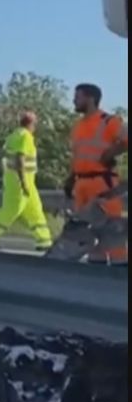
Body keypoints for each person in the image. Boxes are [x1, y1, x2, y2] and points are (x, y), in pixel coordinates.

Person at [67, 83, 128, 265]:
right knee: (88, 233)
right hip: (81, 183)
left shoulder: (109, 121)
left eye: (78, 97)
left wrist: (112, 152)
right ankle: (96, 273)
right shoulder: (78, 126)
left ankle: (121, 270)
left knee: (111, 230)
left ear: (90, 98)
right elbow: (77, 154)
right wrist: (70, 179)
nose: (74, 101)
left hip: (103, 183)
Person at [0, 112, 53, 252]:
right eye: (35, 124)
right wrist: (23, 182)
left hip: (19, 179)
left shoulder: (14, 135)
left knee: (35, 210)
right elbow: (20, 159)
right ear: (31, 124)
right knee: (12, 209)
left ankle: (44, 241)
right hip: (20, 180)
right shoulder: (25, 136)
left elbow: (4, 156)